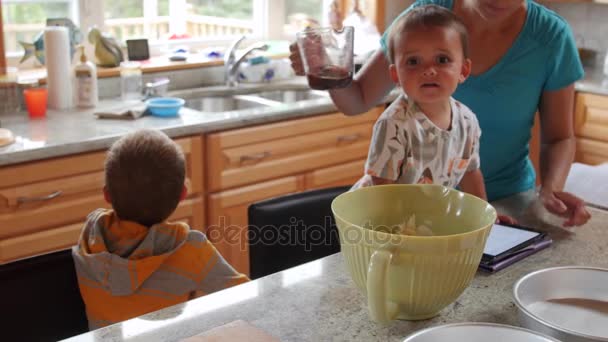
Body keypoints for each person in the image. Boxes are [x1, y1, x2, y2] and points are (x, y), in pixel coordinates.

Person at [290, 0, 591, 227]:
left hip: (503, 203)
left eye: (444, 59)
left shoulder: (551, 37)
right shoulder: (423, 19)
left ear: (464, 69)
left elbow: (560, 137)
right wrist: (325, 70)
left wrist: (551, 189)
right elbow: (356, 101)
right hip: (411, 211)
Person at [351, 5, 514, 223]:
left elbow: (470, 172)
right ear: (395, 74)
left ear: (463, 70)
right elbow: (382, 186)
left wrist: (485, 218)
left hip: (423, 219)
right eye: (413, 61)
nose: (428, 70)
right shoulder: (394, 124)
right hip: (374, 220)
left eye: (442, 60)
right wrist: (402, 229)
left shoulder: (467, 121)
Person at [72, 129, 248, 329]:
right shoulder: (190, 249)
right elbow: (245, 297)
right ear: (182, 195)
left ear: (107, 195)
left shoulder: (91, 235)